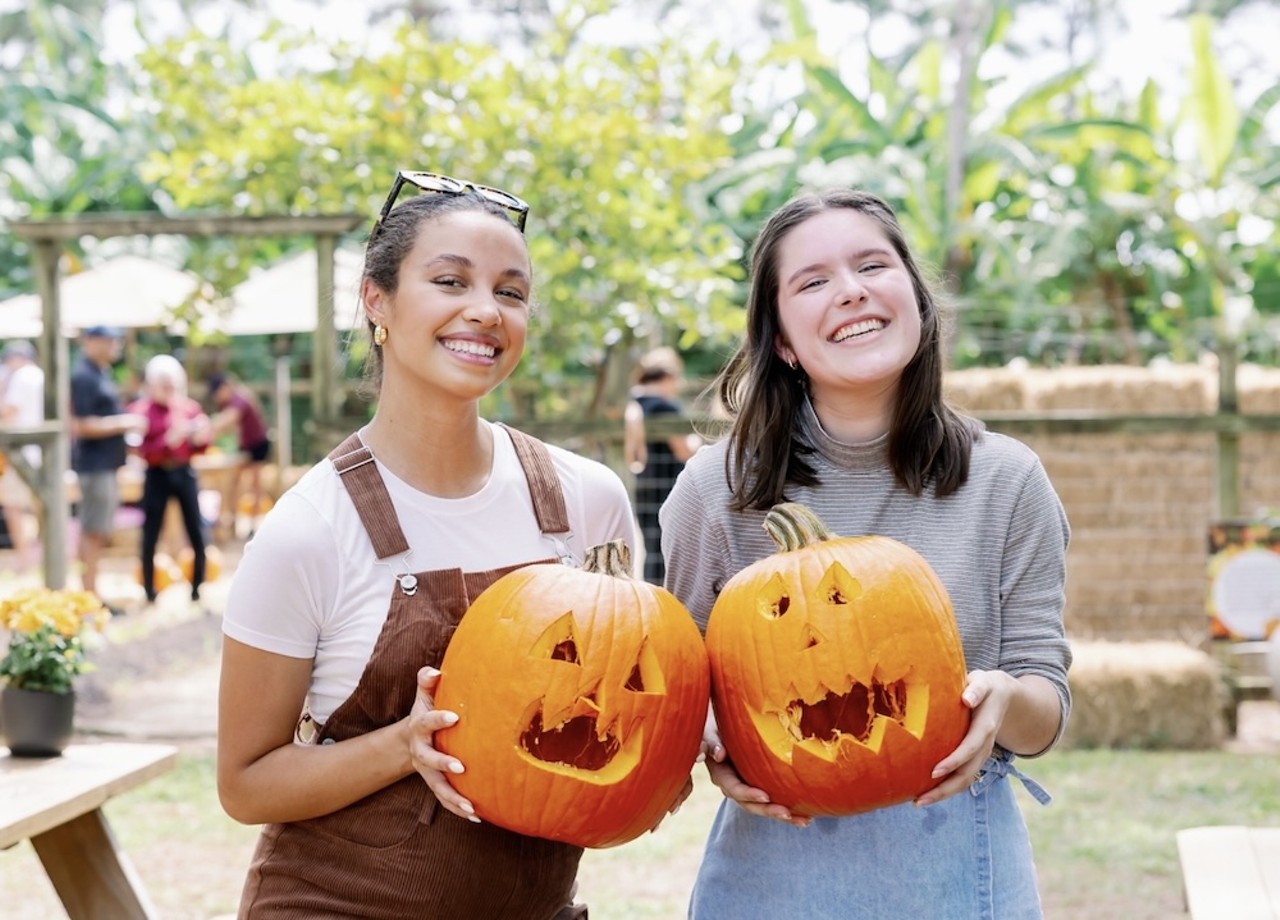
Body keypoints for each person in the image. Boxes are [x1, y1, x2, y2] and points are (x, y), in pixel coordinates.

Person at [217, 170, 645, 918]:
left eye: (510, 293)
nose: (484, 311)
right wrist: (404, 744)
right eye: (451, 281)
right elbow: (246, 783)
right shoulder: (309, 530)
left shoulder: (587, 501)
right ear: (376, 301)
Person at [660, 187, 1072, 919]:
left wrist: (1006, 699)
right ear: (783, 339)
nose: (850, 292)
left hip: (959, 863)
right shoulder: (712, 491)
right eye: (813, 282)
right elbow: (675, 692)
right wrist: (714, 740)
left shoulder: (1008, 481)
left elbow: (1043, 708)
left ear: (915, 298)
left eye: (872, 266)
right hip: (773, 867)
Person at [69, 326, 147, 607]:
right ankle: (89, 598)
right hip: (94, 466)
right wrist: (125, 422)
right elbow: (81, 425)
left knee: (98, 530)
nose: (115, 345)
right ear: (92, 342)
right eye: (110, 340)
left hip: (106, 465)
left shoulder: (99, 374)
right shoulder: (83, 377)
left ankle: (91, 594)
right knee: (93, 530)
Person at [126, 355, 211, 605]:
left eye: (172, 384)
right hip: (156, 474)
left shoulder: (189, 407)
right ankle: (149, 589)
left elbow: (203, 445)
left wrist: (199, 437)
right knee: (150, 532)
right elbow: (138, 449)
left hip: (184, 472)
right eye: (164, 384)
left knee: (196, 528)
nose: (169, 390)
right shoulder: (140, 410)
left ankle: (197, 586)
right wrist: (168, 441)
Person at [623, 346, 700, 585]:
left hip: (644, 486)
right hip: (669, 487)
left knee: (652, 550)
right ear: (667, 378)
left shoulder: (632, 404)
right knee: (669, 551)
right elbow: (684, 450)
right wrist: (698, 442)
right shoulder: (666, 408)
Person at [205, 372, 271, 539]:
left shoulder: (240, 398)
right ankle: (233, 522)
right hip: (246, 445)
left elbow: (229, 419)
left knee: (255, 485)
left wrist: (207, 428)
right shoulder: (234, 400)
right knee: (235, 483)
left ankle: (255, 525)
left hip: (257, 444)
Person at [0, 340, 45, 571]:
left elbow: (9, 411)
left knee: (13, 506)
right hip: (43, 450)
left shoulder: (21, 377)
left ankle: (25, 560)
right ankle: (46, 555)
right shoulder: (41, 375)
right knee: (41, 505)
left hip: (21, 451)